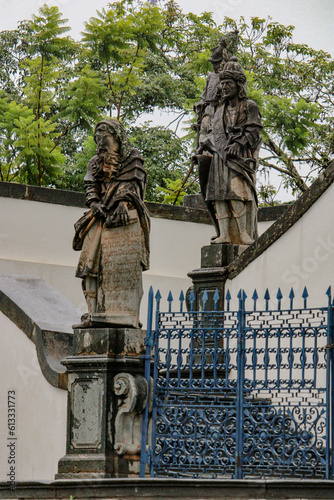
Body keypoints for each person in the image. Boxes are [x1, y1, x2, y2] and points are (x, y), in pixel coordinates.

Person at [73, 119, 150, 328]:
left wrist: (124, 202)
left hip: (123, 220)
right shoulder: (94, 162)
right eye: (97, 139)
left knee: (123, 270)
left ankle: (126, 313)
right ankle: (93, 313)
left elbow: (135, 188)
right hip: (100, 219)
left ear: (116, 138)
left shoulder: (133, 160)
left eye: (104, 138)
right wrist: (95, 203)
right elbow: (91, 187)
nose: (100, 143)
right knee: (89, 267)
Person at [195, 57, 262, 245]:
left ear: (238, 85)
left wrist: (239, 144)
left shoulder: (249, 106)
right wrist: (203, 147)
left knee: (236, 194)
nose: (224, 87)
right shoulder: (219, 110)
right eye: (222, 83)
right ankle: (224, 234)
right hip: (219, 157)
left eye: (228, 83)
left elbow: (254, 131)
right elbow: (212, 134)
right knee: (218, 196)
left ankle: (243, 234)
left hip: (237, 159)